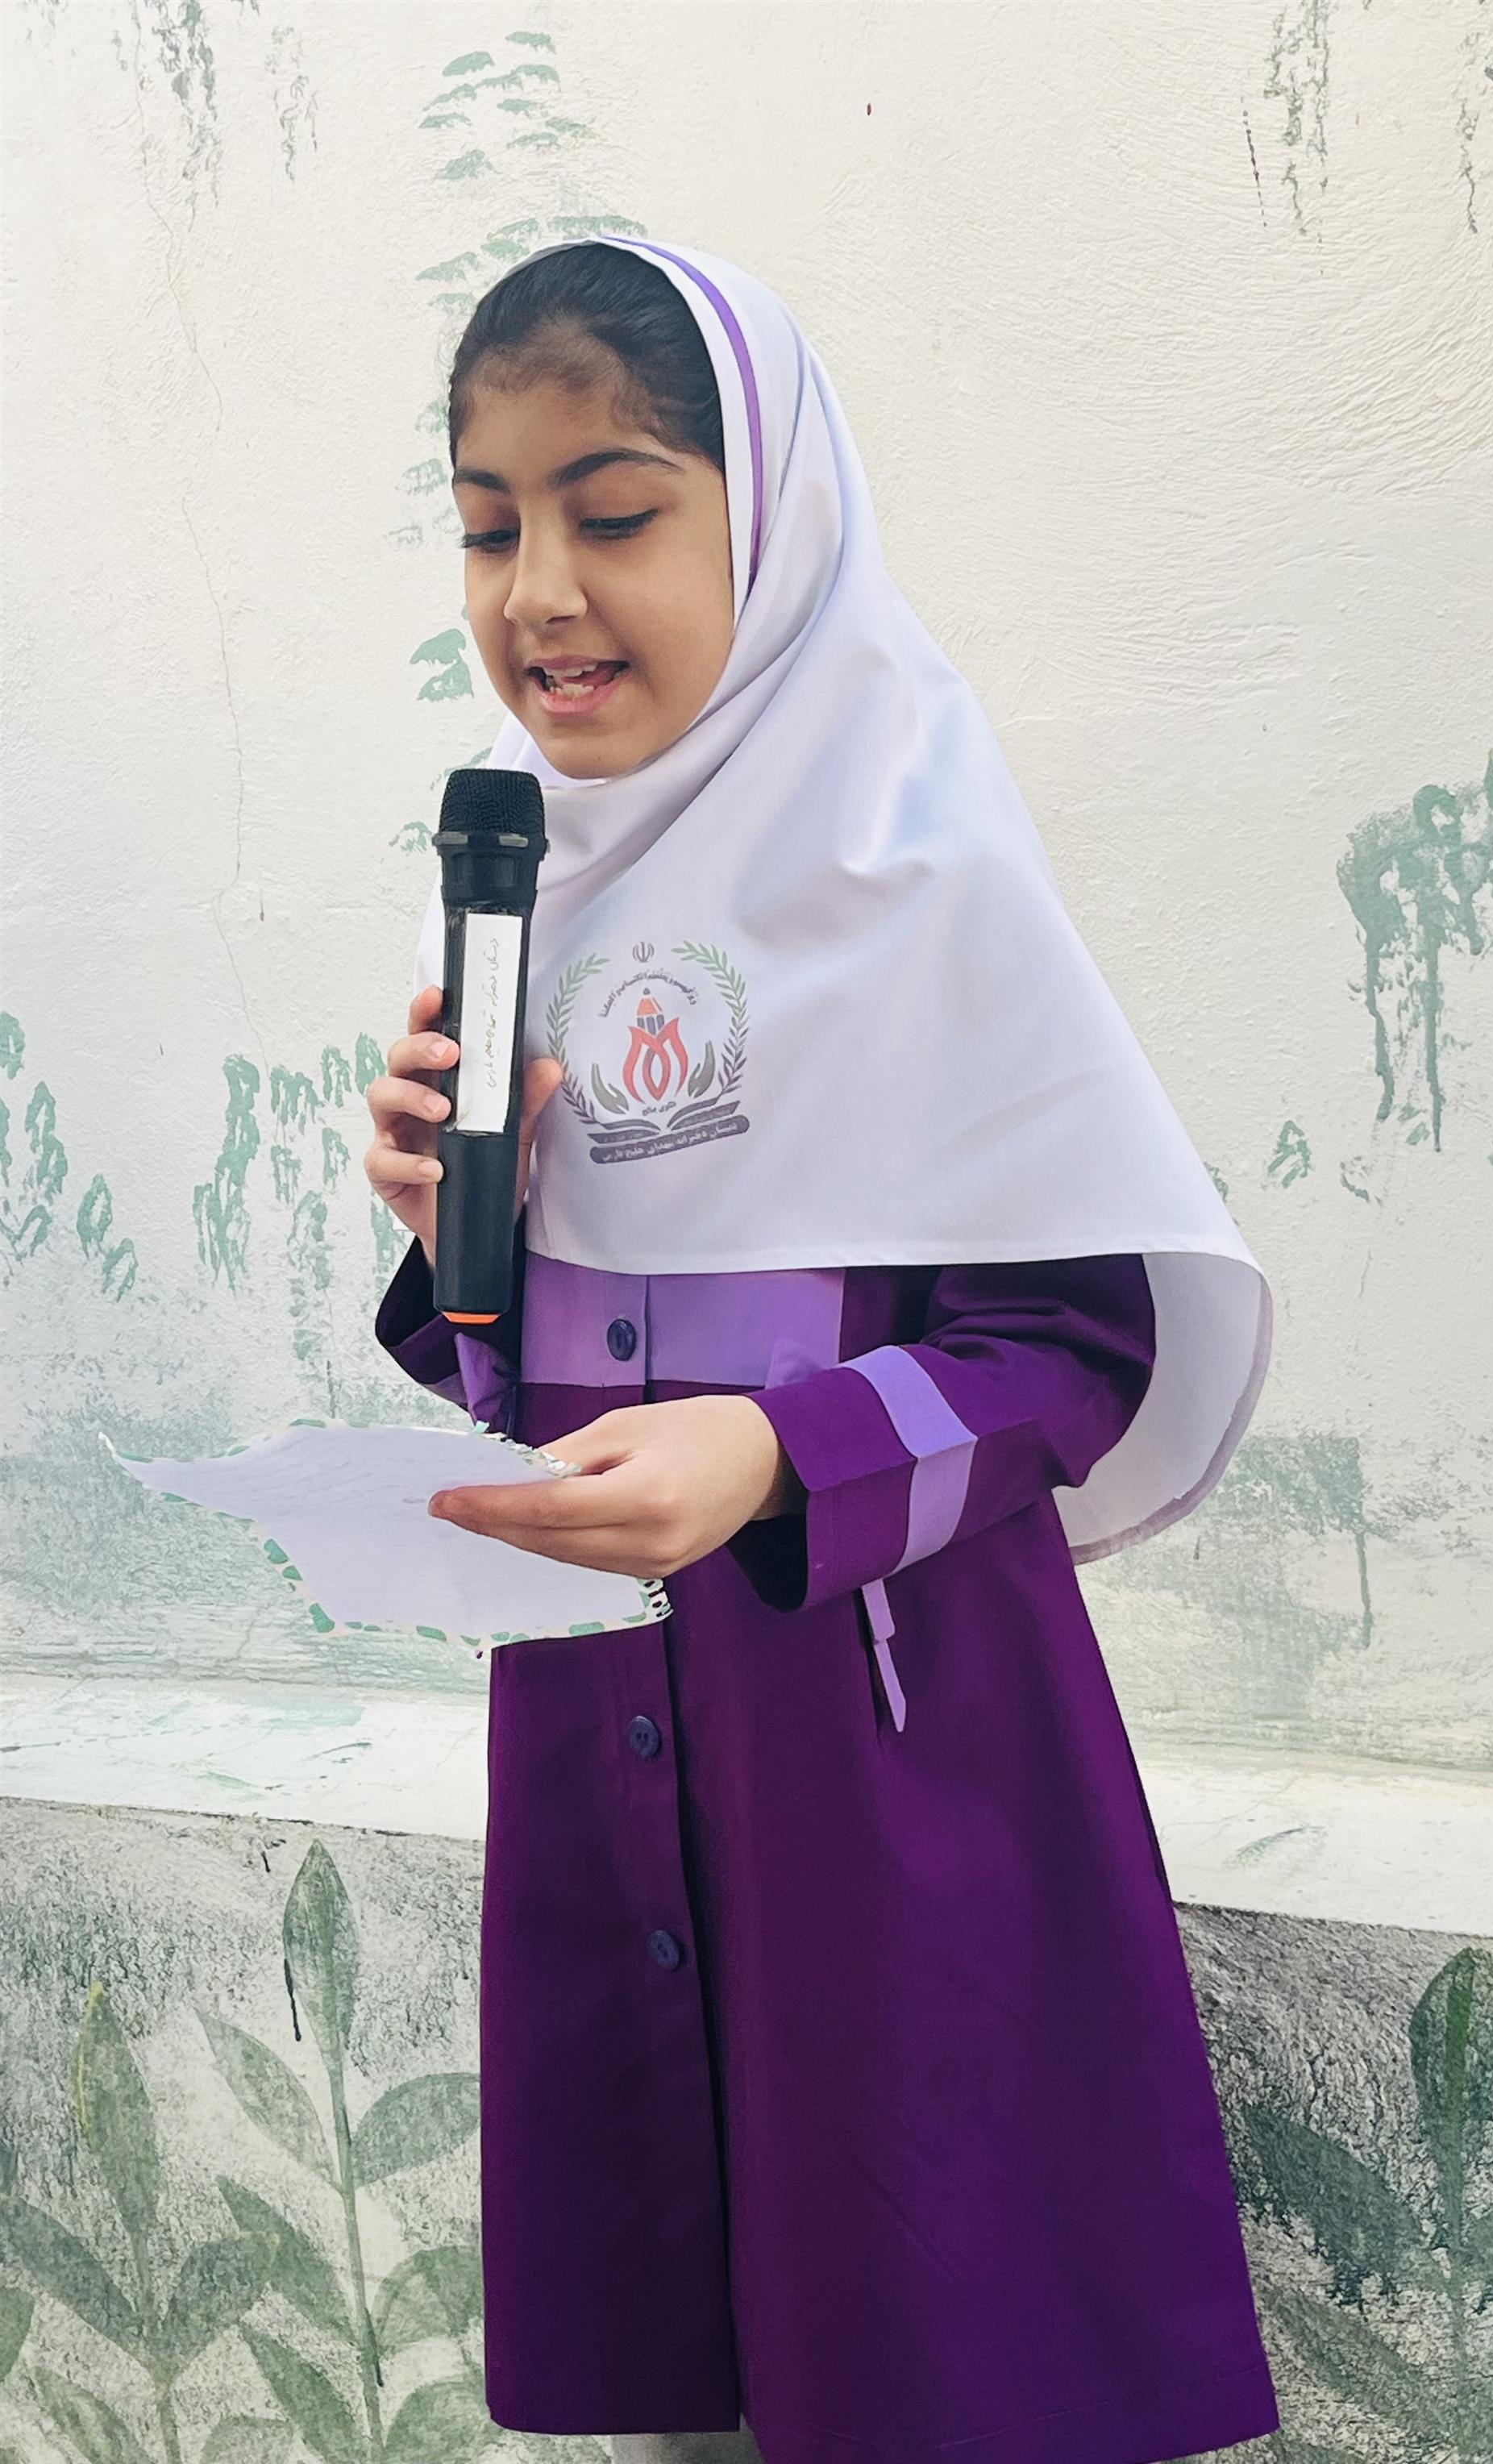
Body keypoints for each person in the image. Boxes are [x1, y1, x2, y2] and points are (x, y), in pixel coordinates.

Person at [363, 236, 1280, 2464]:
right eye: (486, 528)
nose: (539, 594)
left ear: (767, 527)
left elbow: (1070, 1349)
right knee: (682, 2336)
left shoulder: (916, 871)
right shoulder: (531, 901)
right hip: (610, 1746)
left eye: (612, 510)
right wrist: (455, 1242)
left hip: (885, 1762)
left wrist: (776, 1457)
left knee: (924, 2330)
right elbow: (531, 1378)